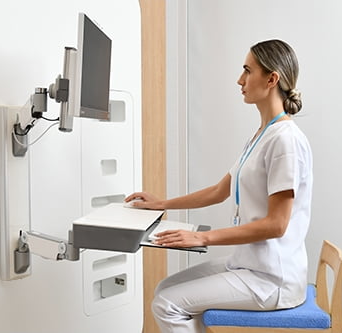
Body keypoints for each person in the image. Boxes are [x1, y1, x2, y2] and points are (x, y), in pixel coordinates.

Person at [125, 39, 313, 333]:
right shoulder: (262, 135)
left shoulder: (285, 141)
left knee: (167, 304)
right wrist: (161, 203)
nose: (240, 80)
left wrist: (203, 238)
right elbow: (219, 191)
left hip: (271, 278)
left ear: (272, 79)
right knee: (166, 288)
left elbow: (277, 225)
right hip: (249, 262)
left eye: (247, 71)